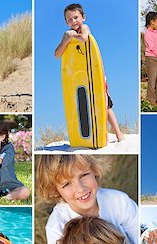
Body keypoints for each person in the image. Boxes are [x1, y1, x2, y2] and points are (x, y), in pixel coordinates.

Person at [36, 154, 138, 244]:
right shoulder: (56, 226)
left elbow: (141, 242)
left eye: (83, 175)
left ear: (94, 170)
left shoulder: (118, 201)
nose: (80, 188)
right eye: (67, 184)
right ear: (56, 190)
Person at [54, 3, 123, 142]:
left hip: (95, 75)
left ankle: (118, 134)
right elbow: (57, 54)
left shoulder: (84, 28)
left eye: (76, 17)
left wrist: (72, 37)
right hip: (79, 76)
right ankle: (94, 135)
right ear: (66, 22)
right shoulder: (66, 35)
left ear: (83, 17)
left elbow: (84, 38)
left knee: (105, 105)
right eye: (69, 19)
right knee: (83, 104)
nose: (73, 21)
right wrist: (66, 39)